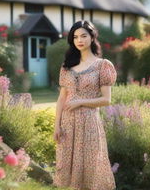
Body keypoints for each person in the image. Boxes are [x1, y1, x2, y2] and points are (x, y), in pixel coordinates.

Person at [53, 20, 117, 190]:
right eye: (75, 37)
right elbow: (61, 98)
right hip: (68, 123)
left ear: (92, 37)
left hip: (89, 123)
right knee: (70, 169)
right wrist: (56, 125)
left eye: (83, 35)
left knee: (91, 168)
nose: (79, 40)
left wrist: (81, 102)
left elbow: (106, 99)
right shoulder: (67, 66)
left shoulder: (102, 65)